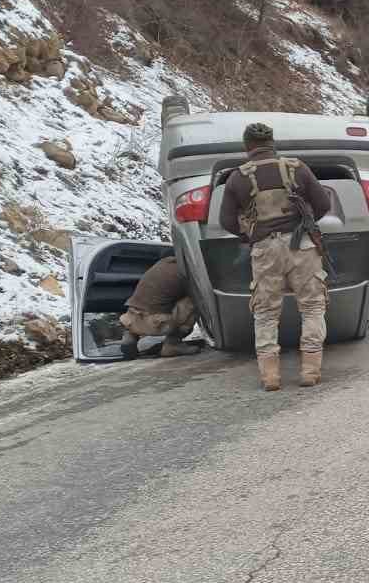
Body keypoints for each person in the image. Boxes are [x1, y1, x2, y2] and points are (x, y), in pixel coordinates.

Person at [218, 122, 335, 392]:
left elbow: (225, 220)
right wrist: (304, 223)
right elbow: (323, 205)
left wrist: (250, 233)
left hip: (265, 250)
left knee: (266, 313)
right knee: (313, 307)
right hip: (302, 246)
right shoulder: (297, 168)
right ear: (273, 143)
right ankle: (310, 370)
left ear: (247, 146)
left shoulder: (238, 177)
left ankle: (270, 376)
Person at [118, 256, 198, 359]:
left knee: (154, 300)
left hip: (131, 318)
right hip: (156, 322)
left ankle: (131, 335)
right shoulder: (188, 270)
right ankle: (173, 344)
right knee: (196, 299)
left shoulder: (163, 264)